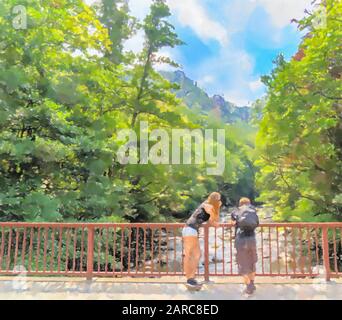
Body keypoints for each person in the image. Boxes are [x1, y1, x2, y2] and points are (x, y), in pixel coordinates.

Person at [182, 192, 221, 288]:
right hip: (190, 230)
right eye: (218, 199)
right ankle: (189, 279)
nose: (219, 201)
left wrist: (218, 209)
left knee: (195, 254)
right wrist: (217, 209)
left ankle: (190, 278)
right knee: (190, 255)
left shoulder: (208, 206)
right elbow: (213, 220)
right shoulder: (207, 206)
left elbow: (215, 220)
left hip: (190, 230)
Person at [231, 197, 259, 295]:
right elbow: (257, 224)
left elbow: (233, 223)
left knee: (242, 264)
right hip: (251, 239)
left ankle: (248, 286)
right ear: (249, 203)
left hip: (241, 239)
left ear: (240, 204)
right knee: (252, 262)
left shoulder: (236, 211)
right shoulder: (253, 211)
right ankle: (252, 283)